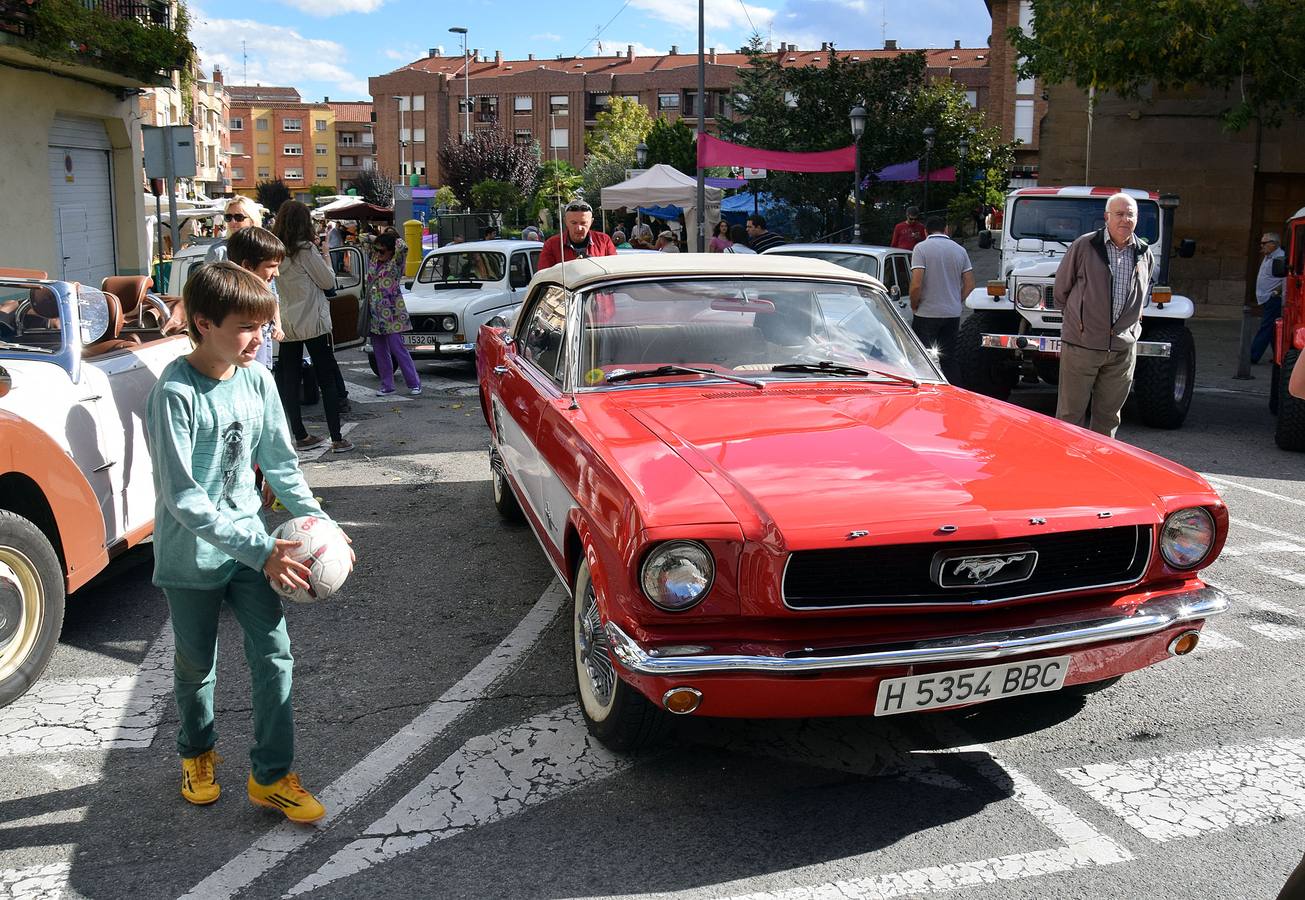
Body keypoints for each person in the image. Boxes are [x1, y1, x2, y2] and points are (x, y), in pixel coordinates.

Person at [144, 262, 343, 823]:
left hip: (253, 551)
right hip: (192, 558)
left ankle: (271, 776)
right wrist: (259, 550)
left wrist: (320, 524)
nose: (262, 338)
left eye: (265, 324)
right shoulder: (175, 393)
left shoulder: (256, 379)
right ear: (203, 323)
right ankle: (198, 753)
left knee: (274, 656)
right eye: (247, 327)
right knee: (195, 666)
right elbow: (184, 499)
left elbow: (281, 462)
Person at [1053, 191, 1156, 438]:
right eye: (1119, 214)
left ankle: (1098, 466)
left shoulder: (1144, 253)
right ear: (1107, 217)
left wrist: (1130, 331)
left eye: (1131, 214)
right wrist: (1079, 324)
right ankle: (1062, 467)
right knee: (1070, 415)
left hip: (1122, 349)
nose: (1125, 220)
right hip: (1082, 346)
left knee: (1109, 417)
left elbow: (1142, 296)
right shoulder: (1085, 245)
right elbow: (1061, 291)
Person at [270, 200, 352, 454]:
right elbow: (328, 281)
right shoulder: (306, 250)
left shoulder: (276, 251)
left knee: (290, 381)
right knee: (326, 379)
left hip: (288, 323)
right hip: (313, 323)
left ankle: (299, 434)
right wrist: (326, 254)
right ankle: (337, 438)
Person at [908, 217, 974, 382]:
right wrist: (956, 300)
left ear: (925, 231)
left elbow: (916, 284)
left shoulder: (921, 249)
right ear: (946, 229)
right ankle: (955, 391)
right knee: (949, 358)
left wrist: (914, 304)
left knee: (922, 359)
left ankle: (925, 391)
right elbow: (970, 284)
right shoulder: (960, 250)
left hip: (926, 313)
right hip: (951, 314)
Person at [366, 232, 422, 397]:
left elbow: (403, 246)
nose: (378, 253)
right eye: (376, 250)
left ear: (391, 251)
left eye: (382, 251)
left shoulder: (396, 263)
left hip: (392, 314)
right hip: (375, 314)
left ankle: (414, 383)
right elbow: (364, 238)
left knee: (398, 348)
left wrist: (390, 237)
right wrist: (377, 240)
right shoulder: (374, 261)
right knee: (379, 351)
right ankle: (387, 385)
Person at [224, 227, 285, 370]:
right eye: (271, 266)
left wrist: (278, 324)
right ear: (247, 265)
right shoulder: (234, 302)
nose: (276, 273)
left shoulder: (262, 290)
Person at [537, 199, 617, 268]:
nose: (579, 228)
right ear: (566, 222)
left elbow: (614, 270)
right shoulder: (551, 245)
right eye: (574, 223)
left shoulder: (604, 241)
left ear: (591, 222)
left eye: (583, 223)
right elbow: (544, 277)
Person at [1250, 231, 1286, 365]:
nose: (1262, 245)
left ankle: (1253, 355)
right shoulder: (1268, 256)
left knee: (1266, 327)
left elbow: (1286, 279)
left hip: (1273, 298)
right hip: (1266, 297)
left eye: (1264, 243)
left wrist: (1276, 292)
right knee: (1272, 329)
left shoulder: (1280, 258)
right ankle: (1280, 355)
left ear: (1274, 244)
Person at [205, 197, 261, 264]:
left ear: (252, 220)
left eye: (239, 217)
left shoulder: (264, 248)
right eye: (228, 217)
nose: (233, 222)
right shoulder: (218, 251)